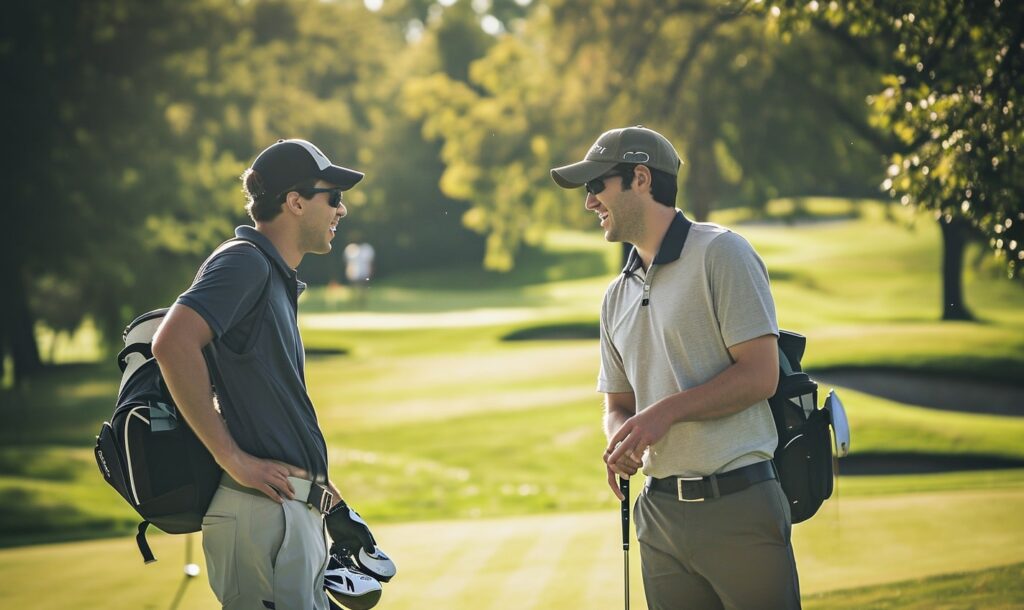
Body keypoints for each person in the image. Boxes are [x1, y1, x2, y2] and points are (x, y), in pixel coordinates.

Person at [551, 126, 801, 609]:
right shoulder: (615, 295)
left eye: (596, 186)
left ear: (640, 178)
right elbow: (619, 404)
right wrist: (621, 438)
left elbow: (759, 374)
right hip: (658, 514)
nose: (589, 202)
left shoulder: (722, 252)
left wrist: (663, 414)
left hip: (739, 503)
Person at [152, 138, 362, 610]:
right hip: (262, 518)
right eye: (334, 198)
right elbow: (173, 342)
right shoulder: (243, 260)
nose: (341, 211)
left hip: (284, 515)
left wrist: (323, 492)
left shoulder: (269, 271)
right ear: (295, 201)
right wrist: (232, 458)